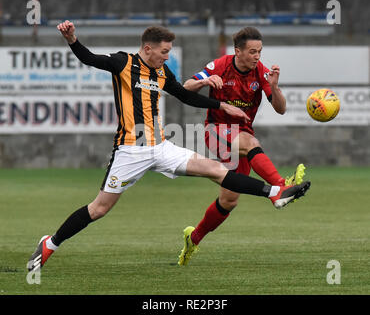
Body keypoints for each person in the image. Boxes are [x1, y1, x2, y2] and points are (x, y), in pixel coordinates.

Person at [27, 21, 310, 272]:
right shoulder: (123, 63)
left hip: (161, 147)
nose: (168, 55)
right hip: (130, 150)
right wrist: (72, 40)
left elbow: (185, 96)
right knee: (99, 208)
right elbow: (90, 58)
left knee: (216, 170)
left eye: (169, 51)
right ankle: (50, 243)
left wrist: (220, 104)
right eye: (164, 51)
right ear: (147, 48)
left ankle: (275, 192)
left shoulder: (162, 72)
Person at [178, 26, 307, 266]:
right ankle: (281, 187)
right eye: (252, 51)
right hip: (215, 132)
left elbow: (281, 109)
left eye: (259, 51)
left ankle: (192, 239)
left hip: (241, 138)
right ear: (238, 51)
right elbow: (184, 87)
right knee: (250, 143)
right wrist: (205, 80)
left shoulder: (262, 73)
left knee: (229, 200)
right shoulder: (220, 65)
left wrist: (275, 87)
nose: (257, 56)